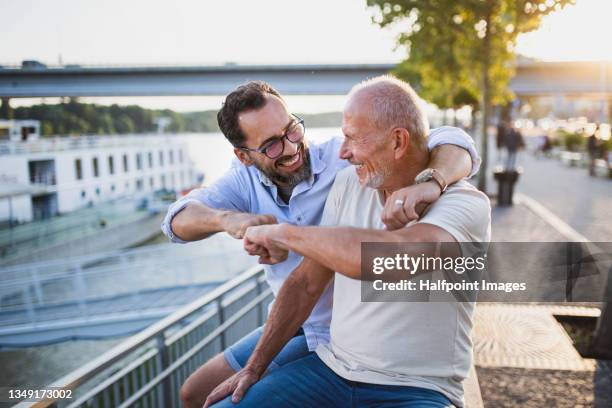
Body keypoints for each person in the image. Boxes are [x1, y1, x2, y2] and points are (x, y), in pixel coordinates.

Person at [161, 80, 480, 408]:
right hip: (303, 327)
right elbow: (176, 221)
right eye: (271, 144)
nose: (290, 147)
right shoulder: (251, 183)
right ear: (243, 156)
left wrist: (432, 180)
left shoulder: (348, 166)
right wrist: (231, 221)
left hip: (346, 339)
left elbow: (442, 140)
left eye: (292, 130)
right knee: (195, 393)